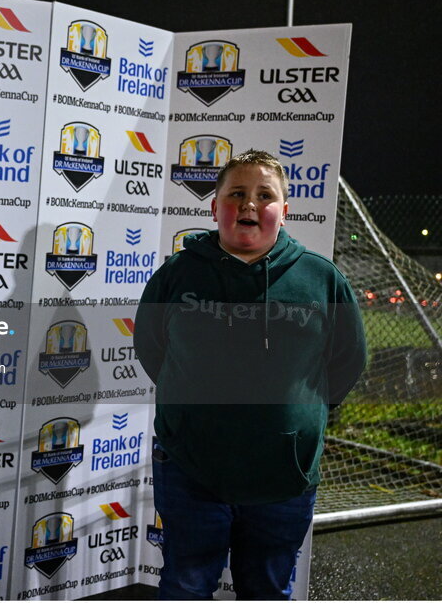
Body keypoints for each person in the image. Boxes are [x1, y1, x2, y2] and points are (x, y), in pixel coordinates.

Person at [134, 149, 366, 600]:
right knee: (184, 584)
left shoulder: (322, 279)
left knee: (266, 589)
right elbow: (152, 350)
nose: (249, 204)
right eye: (236, 193)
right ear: (214, 206)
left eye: (265, 195)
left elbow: (347, 361)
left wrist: (300, 416)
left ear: (285, 211)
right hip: (190, 468)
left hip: (283, 474)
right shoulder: (176, 274)